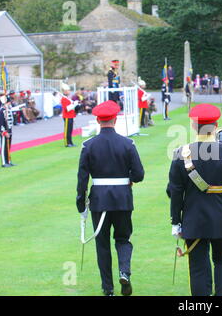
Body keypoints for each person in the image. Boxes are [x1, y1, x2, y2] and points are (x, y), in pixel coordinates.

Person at [167, 103, 222, 296]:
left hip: (193, 219)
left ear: (193, 125)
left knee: (198, 267)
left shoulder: (180, 154)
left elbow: (174, 193)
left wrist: (176, 222)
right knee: (221, 261)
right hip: (221, 217)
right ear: (216, 125)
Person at [76, 100, 144, 296]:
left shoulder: (88, 145)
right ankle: (124, 271)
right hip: (122, 199)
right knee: (123, 239)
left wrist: (81, 202)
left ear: (98, 120)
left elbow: (82, 178)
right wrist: (128, 180)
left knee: (102, 244)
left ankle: (108, 288)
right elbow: (139, 174)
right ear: (115, 119)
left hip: (99, 201)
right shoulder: (128, 144)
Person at [0, 95, 15, 168]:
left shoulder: (8, 110)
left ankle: (9, 161)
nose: (10, 104)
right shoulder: (1, 111)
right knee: (4, 146)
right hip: (4, 131)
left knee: (8, 146)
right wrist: (3, 131)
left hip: (9, 130)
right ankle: (4, 162)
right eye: (8, 103)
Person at [61, 83, 79, 147]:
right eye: (68, 90)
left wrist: (75, 104)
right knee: (67, 130)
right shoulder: (64, 99)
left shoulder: (68, 98)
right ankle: (67, 143)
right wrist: (74, 104)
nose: (69, 91)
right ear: (65, 91)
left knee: (70, 130)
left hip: (71, 116)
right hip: (67, 116)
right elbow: (67, 108)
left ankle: (70, 142)